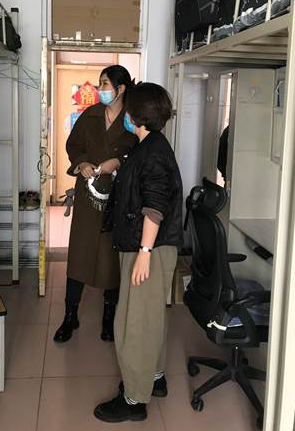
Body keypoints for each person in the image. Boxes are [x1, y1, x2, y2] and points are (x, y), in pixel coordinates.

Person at [94, 82, 183, 423]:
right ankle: (154, 378)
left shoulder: (154, 152)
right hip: (147, 245)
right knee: (149, 317)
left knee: (134, 323)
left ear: (137, 116)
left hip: (148, 248)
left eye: (128, 109)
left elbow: (154, 207)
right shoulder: (149, 145)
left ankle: (134, 400)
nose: (124, 114)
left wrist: (144, 252)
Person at [53, 66, 138, 343]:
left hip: (117, 197)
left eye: (104, 84)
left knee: (110, 259)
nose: (100, 89)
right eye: (101, 84)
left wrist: (120, 162)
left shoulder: (133, 119)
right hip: (88, 196)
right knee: (79, 253)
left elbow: (141, 153)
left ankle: (108, 317)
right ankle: (70, 316)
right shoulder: (89, 115)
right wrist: (82, 164)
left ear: (120, 88)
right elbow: (73, 145)